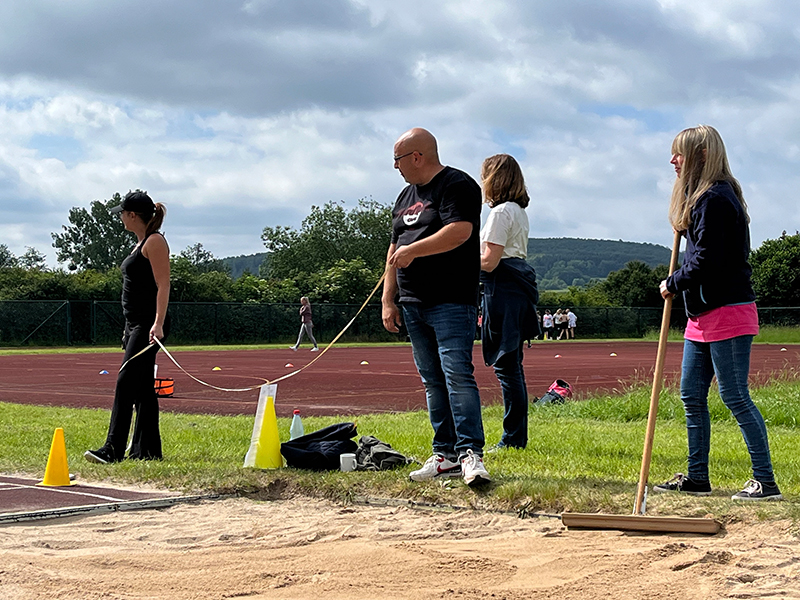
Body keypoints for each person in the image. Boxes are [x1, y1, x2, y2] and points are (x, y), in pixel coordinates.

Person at [654, 125, 781, 501]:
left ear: (703, 155)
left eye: (680, 153)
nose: (673, 161)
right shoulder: (701, 199)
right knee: (691, 395)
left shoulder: (718, 197)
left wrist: (672, 283)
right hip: (702, 314)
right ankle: (697, 477)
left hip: (727, 310)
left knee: (734, 396)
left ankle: (765, 481)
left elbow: (708, 260)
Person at [381, 127, 490, 487]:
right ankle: (444, 454)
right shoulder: (403, 196)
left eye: (397, 159)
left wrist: (415, 250)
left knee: (457, 375)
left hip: (450, 299)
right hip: (413, 301)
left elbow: (460, 230)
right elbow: (394, 248)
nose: (394, 167)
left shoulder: (457, 184)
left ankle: (470, 453)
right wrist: (388, 298)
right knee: (432, 380)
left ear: (417, 156)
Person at [85, 191, 170, 464]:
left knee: (125, 381)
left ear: (133, 215)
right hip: (135, 324)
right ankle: (147, 451)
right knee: (143, 387)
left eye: (122, 213)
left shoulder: (155, 242)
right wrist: (127, 328)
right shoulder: (140, 244)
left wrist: (157, 324)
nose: (120, 217)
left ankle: (113, 448)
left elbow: (164, 285)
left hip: (147, 325)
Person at [479, 154, 539, 450]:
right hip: (513, 287)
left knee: (507, 366)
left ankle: (513, 438)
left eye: (485, 176)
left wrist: (458, 263)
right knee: (511, 365)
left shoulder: (501, 211)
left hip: (502, 288)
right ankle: (516, 436)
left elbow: (489, 262)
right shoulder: (517, 210)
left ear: (494, 179)